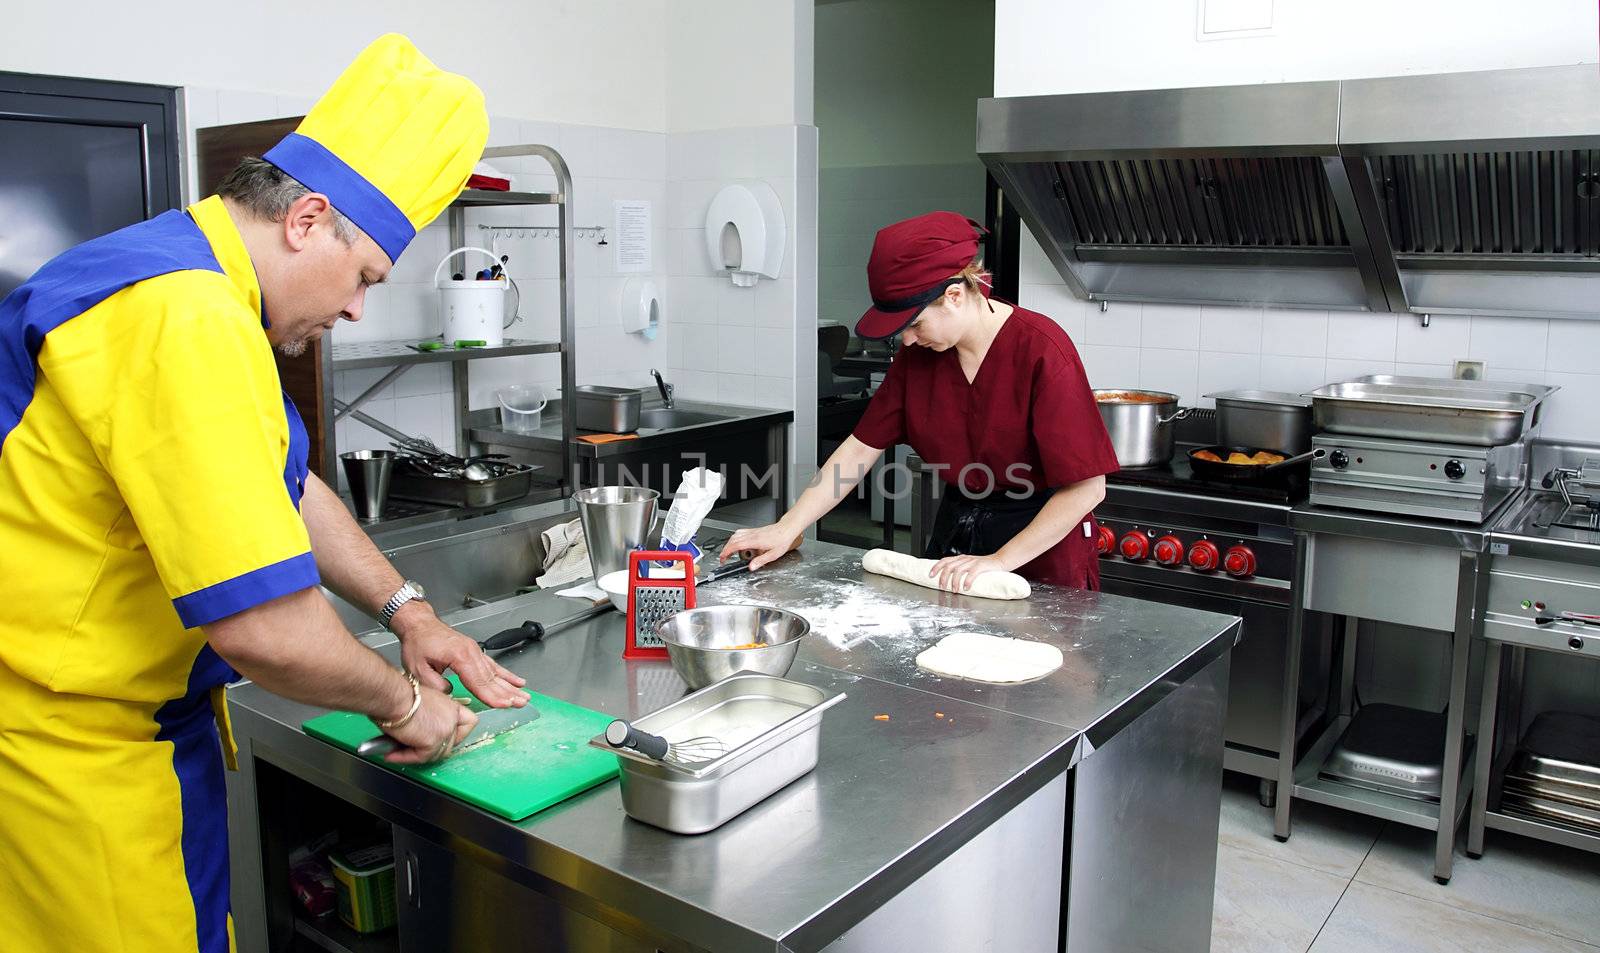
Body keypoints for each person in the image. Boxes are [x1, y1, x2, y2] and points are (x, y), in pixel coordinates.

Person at [0, 35, 529, 953]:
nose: (360, 308)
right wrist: (406, 704)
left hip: (117, 734)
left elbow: (284, 486)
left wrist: (407, 609)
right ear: (307, 218)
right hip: (74, 758)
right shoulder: (187, 316)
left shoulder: (186, 275)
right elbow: (269, 632)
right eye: (365, 275)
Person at [722, 211, 1119, 592]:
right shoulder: (919, 359)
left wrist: (999, 561)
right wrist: (789, 526)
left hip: (1040, 549)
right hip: (957, 538)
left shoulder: (1042, 350)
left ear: (954, 296)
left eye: (913, 324)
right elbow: (860, 449)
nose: (907, 340)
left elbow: (1087, 489)